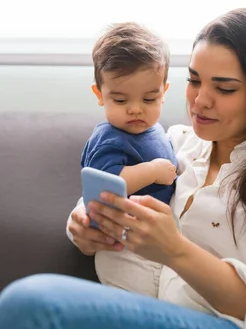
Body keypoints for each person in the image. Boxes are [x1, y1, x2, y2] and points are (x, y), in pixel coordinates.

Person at [0, 8, 246, 329]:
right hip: (138, 308)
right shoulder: (173, 143)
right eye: (194, 81)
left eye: (224, 88)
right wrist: (84, 227)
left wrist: (177, 252)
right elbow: (108, 195)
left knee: (35, 301)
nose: (200, 101)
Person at [80, 22, 178, 296]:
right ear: (100, 95)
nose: (136, 110)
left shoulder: (156, 129)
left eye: (149, 99)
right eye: (121, 101)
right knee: (137, 303)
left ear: (164, 92)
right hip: (121, 246)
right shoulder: (109, 137)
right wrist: (152, 171)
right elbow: (105, 184)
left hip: (152, 238)